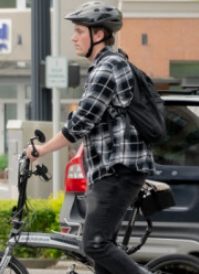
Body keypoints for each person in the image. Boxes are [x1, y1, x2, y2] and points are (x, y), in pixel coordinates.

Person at [23, 2, 154, 274]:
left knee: (94, 245)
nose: (73, 37)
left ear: (99, 34)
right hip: (108, 174)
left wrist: (42, 150)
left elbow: (79, 123)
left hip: (118, 173)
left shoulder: (109, 67)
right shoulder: (103, 67)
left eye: (79, 30)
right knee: (102, 255)